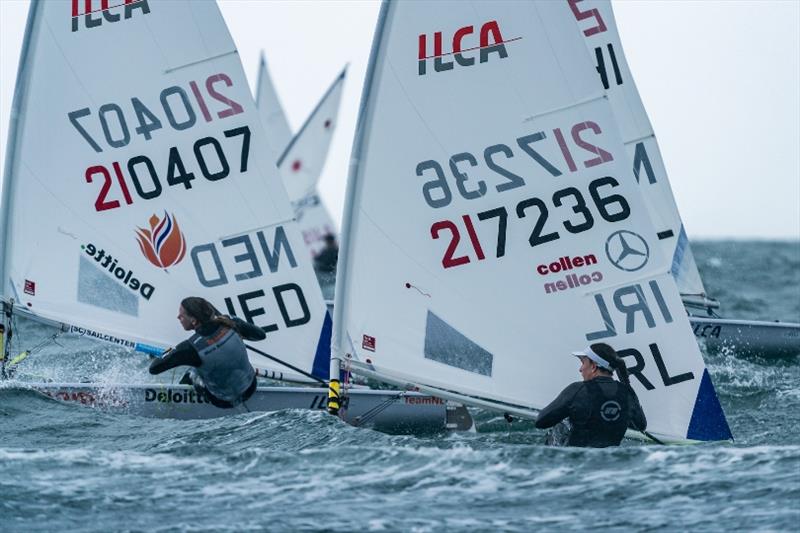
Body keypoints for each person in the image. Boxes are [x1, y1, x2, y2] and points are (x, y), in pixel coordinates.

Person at [149, 297, 266, 409]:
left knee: (192, 372)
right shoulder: (231, 323)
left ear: (194, 321)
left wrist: (169, 349)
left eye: (182, 315)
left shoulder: (189, 348)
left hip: (222, 401)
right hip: (251, 387)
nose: (178, 317)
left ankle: (180, 398)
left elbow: (154, 368)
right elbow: (260, 335)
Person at [535, 342, 647, 447]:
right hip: (610, 462)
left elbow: (541, 421)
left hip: (574, 460)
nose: (580, 369)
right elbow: (641, 425)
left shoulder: (577, 390)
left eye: (583, 363)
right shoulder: (626, 393)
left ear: (593, 366)